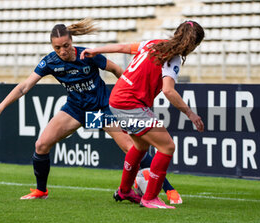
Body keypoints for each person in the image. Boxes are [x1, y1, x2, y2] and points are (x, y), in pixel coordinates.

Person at [0, 18, 181, 204]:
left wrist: (131, 96)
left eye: (66, 46)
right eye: (57, 47)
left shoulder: (88, 55)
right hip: (75, 110)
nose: (62, 51)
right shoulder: (50, 62)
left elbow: (117, 70)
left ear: (72, 42)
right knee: (41, 144)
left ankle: (168, 188)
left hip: (102, 110)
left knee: (132, 148)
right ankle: (41, 191)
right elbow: (24, 86)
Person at [81, 20, 205, 209]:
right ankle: (150, 198)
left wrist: (96, 50)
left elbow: (124, 47)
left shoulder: (153, 43)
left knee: (140, 146)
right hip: (130, 103)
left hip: (117, 98)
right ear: (193, 44)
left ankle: (124, 190)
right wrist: (190, 113)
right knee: (167, 147)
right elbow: (169, 91)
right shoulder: (173, 57)